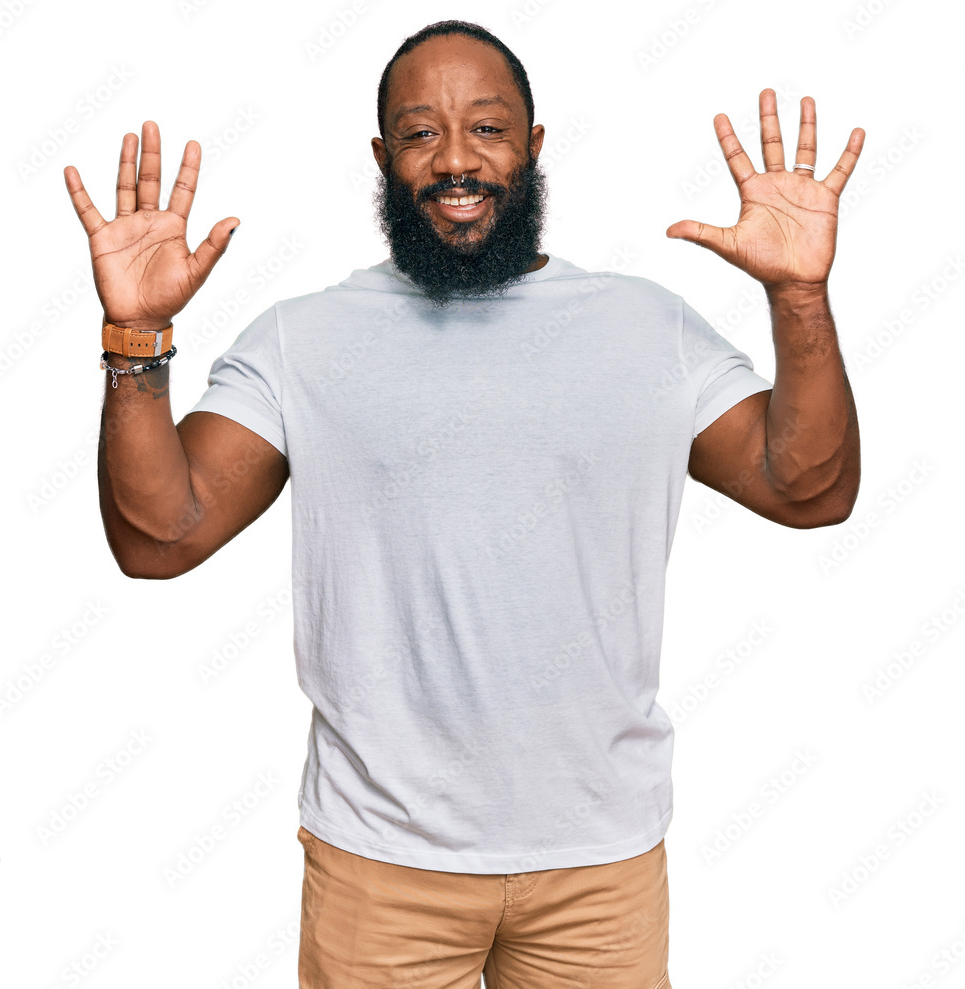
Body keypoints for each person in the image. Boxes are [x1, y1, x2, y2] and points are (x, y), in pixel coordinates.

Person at [64, 19, 863, 989]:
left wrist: (800, 299)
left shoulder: (646, 327)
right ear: (381, 158)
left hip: (599, 864)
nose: (455, 160)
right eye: (419, 133)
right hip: (381, 866)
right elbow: (158, 537)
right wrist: (136, 333)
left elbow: (810, 489)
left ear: (533, 145)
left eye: (487, 128)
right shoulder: (303, 340)